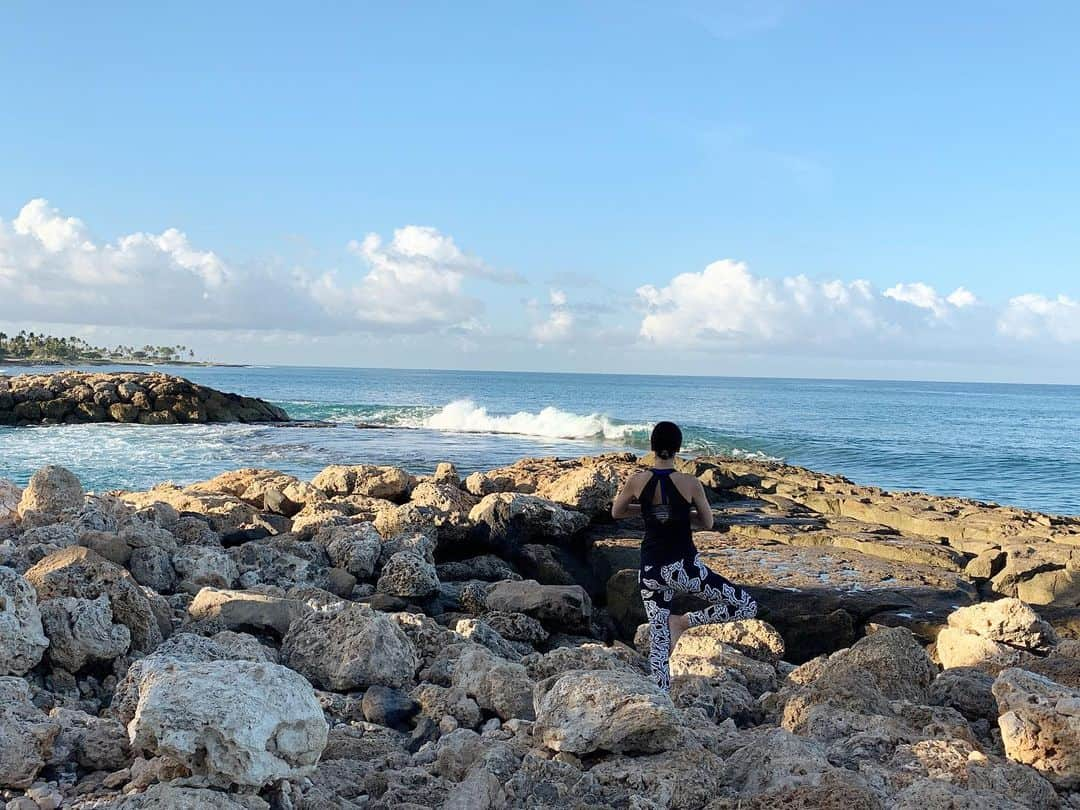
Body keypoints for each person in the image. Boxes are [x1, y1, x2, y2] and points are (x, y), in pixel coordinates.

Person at [611, 421, 758, 691]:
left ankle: (659, 698)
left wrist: (648, 511)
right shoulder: (690, 483)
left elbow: (616, 512)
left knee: (659, 643)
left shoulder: (636, 480)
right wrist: (680, 514)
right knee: (746, 605)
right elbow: (708, 522)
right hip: (683, 570)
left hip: (650, 571)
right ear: (679, 449)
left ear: (651, 447)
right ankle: (684, 622)